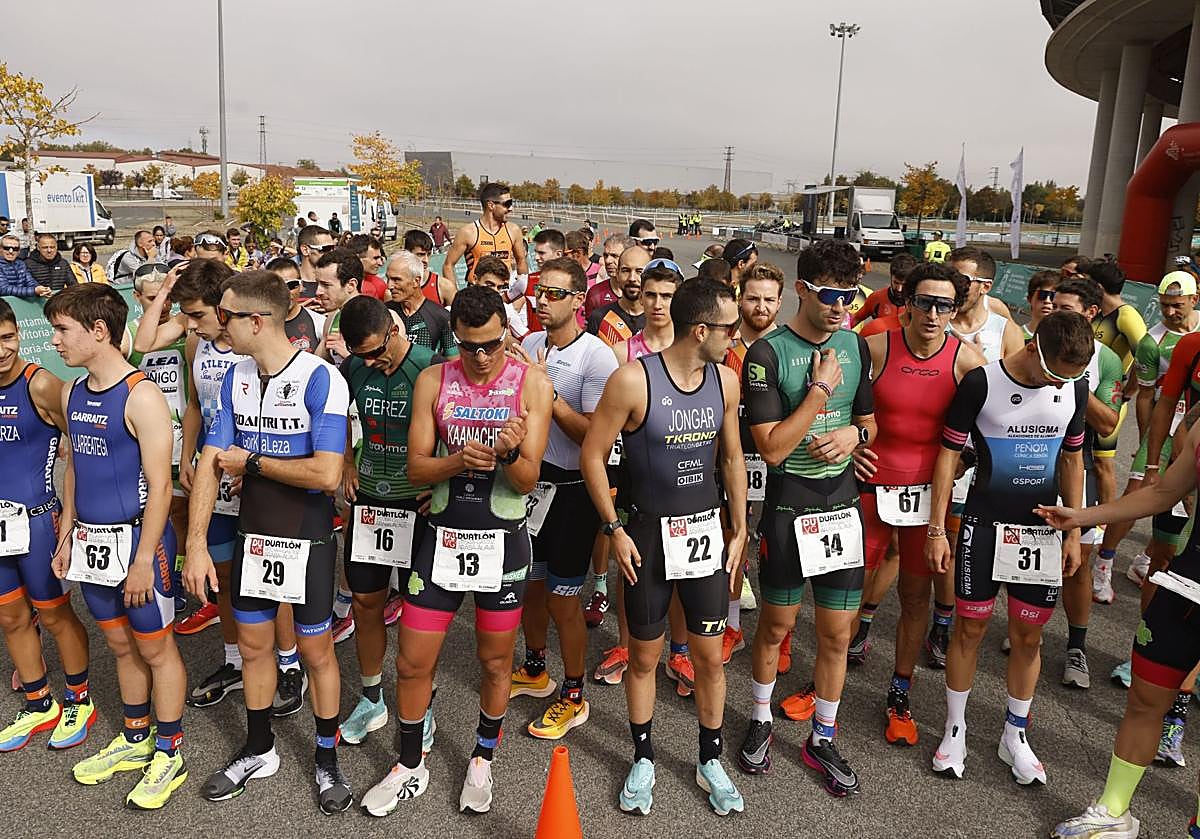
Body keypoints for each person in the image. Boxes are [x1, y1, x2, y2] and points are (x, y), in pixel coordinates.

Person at [360, 285, 553, 817]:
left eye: (492, 344)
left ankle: (482, 758)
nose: (482, 357)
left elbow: (527, 478)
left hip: (503, 541)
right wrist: (459, 462)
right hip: (441, 540)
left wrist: (508, 451)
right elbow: (415, 467)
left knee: (495, 663)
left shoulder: (531, 384)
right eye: (470, 346)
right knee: (411, 662)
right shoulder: (433, 380)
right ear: (456, 340)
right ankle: (407, 764)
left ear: (507, 334)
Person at [185, 270, 353, 814]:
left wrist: (252, 462)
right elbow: (212, 462)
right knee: (255, 649)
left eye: (226, 314)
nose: (218, 322)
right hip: (255, 537)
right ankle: (259, 750)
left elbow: (327, 474)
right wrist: (194, 544)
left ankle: (326, 760)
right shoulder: (234, 375)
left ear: (257, 320)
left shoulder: (321, 379)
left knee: (315, 653)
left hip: (306, 539)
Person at [579, 278, 747, 816]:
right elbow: (592, 455)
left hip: (702, 535)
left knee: (709, 658)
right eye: (729, 327)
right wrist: (614, 528)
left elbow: (731, 457)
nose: (735, 335)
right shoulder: (633, 380)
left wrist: (739, 527)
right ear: (701, 329)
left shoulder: (725, 379)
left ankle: (709, 759)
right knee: (645, 657)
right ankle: (644, 757)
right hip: (646, 536)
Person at [926, 310, 1093, 783]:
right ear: (1033, 346)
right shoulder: (981, 383)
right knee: (970, 631)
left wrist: (1074, 531)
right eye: (1053, 373)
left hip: (1040, 527)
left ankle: (1014, 735)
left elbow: (1073, 460)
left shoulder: (1074, 388)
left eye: (1069, 377)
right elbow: (948, 456)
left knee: (1028, 636)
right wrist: (937, 529)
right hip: (984, 520)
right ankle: (954, 729)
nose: (1057, 384)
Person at [736, 239, 875, 796]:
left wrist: (855, 433)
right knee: (775, 627)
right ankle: (762, 718)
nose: (842, 305)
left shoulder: (854, 345)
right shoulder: (768, 355)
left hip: (840, 510)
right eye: (832, 294)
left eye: (851, 295)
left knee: (837, 635)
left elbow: (870, 423)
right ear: (803, 289)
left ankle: (822, 734)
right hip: (789, 510)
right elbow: (771, 449)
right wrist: (819, 393)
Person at [47, 283, 188, 809]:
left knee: (156, 648)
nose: (55, 340)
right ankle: (134, 737)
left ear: (98, 330)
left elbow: (159, 488)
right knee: (120, 645)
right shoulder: (72, 392)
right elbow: (75, 472)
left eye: (63, 329)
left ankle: (170, 751)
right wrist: (66, 536)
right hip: (91, 542)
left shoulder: (141, 396)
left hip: (137, 544)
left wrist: (145, 561)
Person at [1043, 402, 1200, 838]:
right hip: (1187, 584)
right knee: (1145, 699)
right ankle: (1114, 812)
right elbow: (1164, 492)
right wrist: (1082, 517)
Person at [848, 263, 984, 747]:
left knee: (913, 597)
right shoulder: (877, 346)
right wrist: (852, 444)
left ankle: (900, 690)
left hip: (927, 494)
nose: (932, 313)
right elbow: (841, 407)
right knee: (845, 588)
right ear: (907, 301)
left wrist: (964, 461)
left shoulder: (967, 361)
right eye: (924, 302)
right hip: (870, 483)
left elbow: (988, 429)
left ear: (955, 309)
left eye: (944, 305)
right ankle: (826, 684)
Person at [502, 257, 619, 741]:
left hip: (573, 491)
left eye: (553, 294)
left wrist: (549, 396)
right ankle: (535, 669)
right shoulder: (530, 343)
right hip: (532, 483)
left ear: (578, 300)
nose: (541, 302)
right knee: (530, 587)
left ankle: (574, 694)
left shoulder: (597, 357)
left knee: (563, 601)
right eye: (538, 293)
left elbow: (597, 438)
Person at [337, 295, 438, 747]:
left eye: (379, 352)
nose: (373, 362)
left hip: (417, 507)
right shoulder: (354, 368)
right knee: (365, 603)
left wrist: (439, 484)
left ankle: (423, 704)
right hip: (371, 502)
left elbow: (452, 427)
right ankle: (373, 697)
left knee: (420, 615)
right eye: (362, 356)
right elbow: (336, 413)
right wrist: (345, 463)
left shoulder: (429, 367)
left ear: (395, 332)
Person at [0, 299, 97, 753]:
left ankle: (78, 698)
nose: (3, 350)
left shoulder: (38, 383)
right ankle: (39, 703)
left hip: (37, 522)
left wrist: (71, 521)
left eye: (8, 338)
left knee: (56, 615)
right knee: (10, 616)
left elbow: (84, 441)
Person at [1104, 272, 1200, 691]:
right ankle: (1141, 648)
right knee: (1164, 557)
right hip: (1174, 448)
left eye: (1179, 304)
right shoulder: (1154, 342)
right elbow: (1149, 398)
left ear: (1195, 299)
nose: (1171, 310)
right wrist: (1151, 452)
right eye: (1165, 304)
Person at [720, 263, 785, 666]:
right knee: (733, 539)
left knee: (780, 545)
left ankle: (783, 634)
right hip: (733, 456)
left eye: (768, 299)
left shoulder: (788, 346)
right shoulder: (723, 345)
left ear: (781, 302)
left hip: (777, 457)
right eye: (753, 297)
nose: (760, 306)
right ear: (740, 297)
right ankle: (731, 627)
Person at [1089, 259, 1149, 535]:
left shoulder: (1126, 316)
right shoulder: (1098, 312)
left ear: (1098, 287)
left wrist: (1131, 389)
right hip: (1088, 395)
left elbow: (1149, 357)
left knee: (1103, 462)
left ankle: (1105, 521)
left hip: (1110, 398)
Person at [442, 183, 530, 284]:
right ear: (491, 205)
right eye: (507, 204)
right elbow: (448, 265)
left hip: (505, 295)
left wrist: (522, 291)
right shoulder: (468, 232)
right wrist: (454, 296)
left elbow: (521, 261)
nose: (510, 209)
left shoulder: (513, 230)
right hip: (478, 295)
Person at [947, 247, 1024, 362]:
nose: (953, 286)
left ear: (986, 287)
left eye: (962, 280)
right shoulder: (931, 322)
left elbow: (1014, 378)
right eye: (949, 278)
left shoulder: (1008, 332)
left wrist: (979, 363)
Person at [384, 251, 458, 358]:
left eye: (396, 280)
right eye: (388, 278)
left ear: (416, 281)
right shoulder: (384, 312)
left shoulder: (441, 316)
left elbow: (453, 363)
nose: (389, 286)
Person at [587, 245, 649, 347]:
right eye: (626, 271)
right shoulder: (599, 317)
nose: (632, 278)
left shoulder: (658, 319)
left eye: (639, 272)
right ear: (617, 274)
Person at [314, 247, 365, 367]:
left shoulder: (379, 317)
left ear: (351, 285)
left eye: (326, 285)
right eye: (318, 283)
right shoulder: (332, 319)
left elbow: (393, 373)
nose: (318, 291)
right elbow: (318, 364)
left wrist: (350, 357)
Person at [266, 257, 327, 353]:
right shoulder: (259, 325)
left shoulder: (319, 323)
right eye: (278, 286)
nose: (285, 292)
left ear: (301, 285)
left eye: (291, 285)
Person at [851, 253, 917, 330]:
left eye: (904, 284)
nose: (899, 289)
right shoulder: (876, 297)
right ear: (891, 276)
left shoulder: (919, 303)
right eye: (896, 282)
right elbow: (856, 319)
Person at [583, 234, 635, 320]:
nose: (608, 261)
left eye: (614, 256)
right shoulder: (595, 294)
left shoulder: (643, 293)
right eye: (606, 255)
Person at [404, 229, 457, 308]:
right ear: (407, 254)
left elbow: (459, 318)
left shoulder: (444, 287)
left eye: (428, 254)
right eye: (420, 254)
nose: (426, 260)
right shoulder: (395, 288)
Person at [297, 226, 336, 299]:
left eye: (333, 248)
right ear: (305, 250)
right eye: (326, 249)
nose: (331, 253)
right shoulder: (289, 285)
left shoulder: (337, 281)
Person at [1020, 270, 1060, 340]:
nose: (1047, 301)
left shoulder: (1064, 339)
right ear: (1029, 299)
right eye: (1042, 295)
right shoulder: (1016, 335)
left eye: (1053, 296)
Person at [346, 234, 388, 300]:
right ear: (357, 258)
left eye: (380, 258)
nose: (380, 263)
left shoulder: (379, 285)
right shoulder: (338, 285)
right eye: (375, 258)